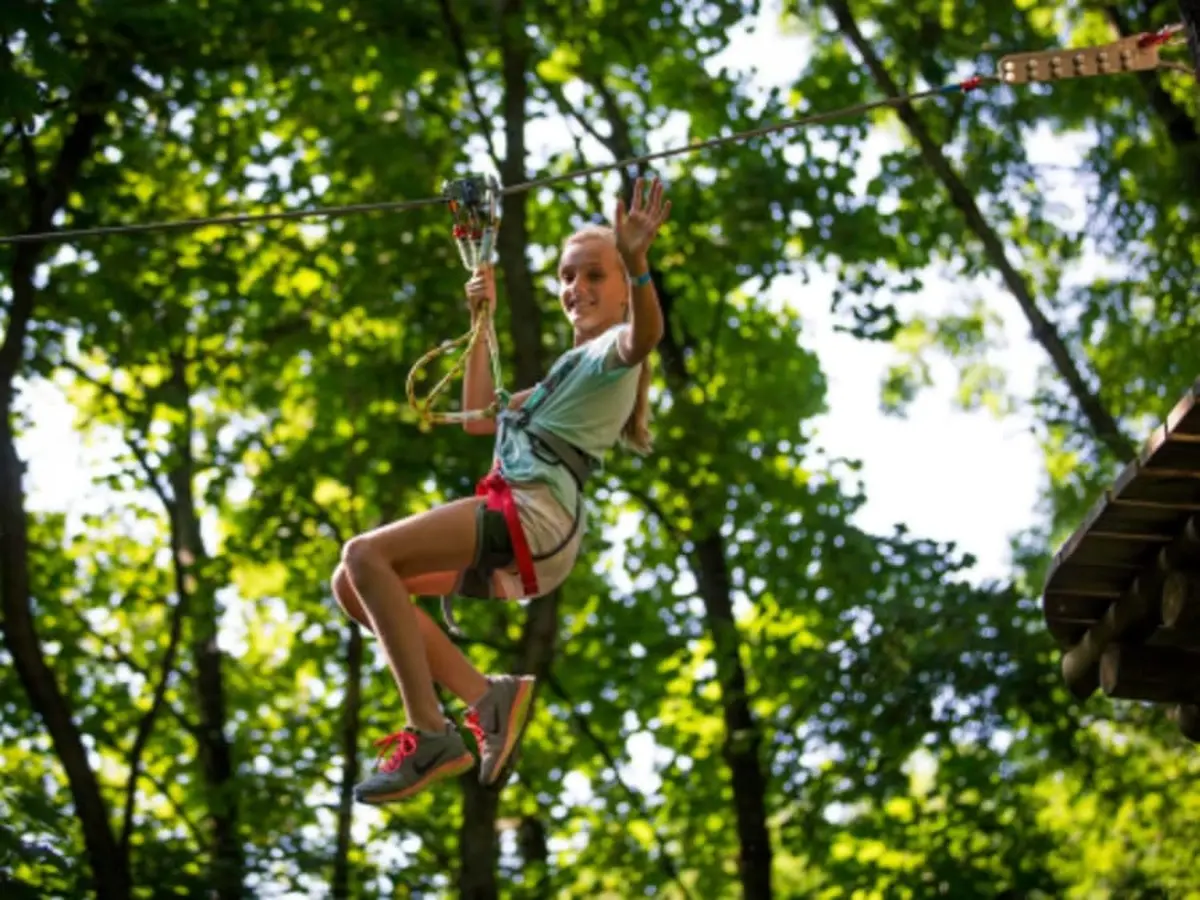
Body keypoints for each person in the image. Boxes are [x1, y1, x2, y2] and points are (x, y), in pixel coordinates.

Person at [331, 177, 672, 805]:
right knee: (356, 587)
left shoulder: (609, 356)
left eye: (597, 275)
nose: (578, 288)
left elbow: (644, 335)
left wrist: (639, 261)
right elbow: (479, 417)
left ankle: (429, 733)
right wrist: (479, 318)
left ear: (624, 288)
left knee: (364, 554)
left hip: (532, 515)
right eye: (569, 277)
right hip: (530, 528)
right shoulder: (559, 380)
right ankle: (487, 697)